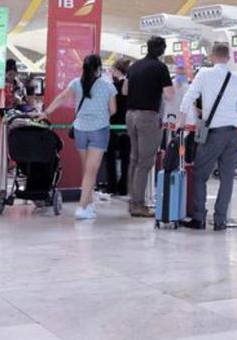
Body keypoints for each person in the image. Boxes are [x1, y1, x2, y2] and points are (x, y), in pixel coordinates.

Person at [180, 43, 237, 230]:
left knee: (200, 175)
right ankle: (220, 220)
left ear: (211, 56)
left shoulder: (204, 74)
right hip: (232, 133)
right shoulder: (236, 78)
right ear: (229, 57)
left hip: (213, 133)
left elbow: (189, 96)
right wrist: (232, 118)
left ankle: (199, 218)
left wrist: (182, 118)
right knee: (227, 178)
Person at [44, 54, 117, 220]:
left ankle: (89, 204)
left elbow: (62, 97)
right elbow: (113, 110)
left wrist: (47, 112)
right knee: (91, 171)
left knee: (86, 169)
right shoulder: (108, 86)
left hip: (80, 130)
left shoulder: (76, 83)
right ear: (99, 68)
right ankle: (82, 207)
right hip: (99, 130)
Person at [125, 36, 175, 218]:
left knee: (134, 159)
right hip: (147, 116)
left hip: (130, 115)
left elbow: (124, 90)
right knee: (145, 162)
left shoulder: (134, 66)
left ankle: (132, 201)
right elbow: (169, 95)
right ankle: (138, 205)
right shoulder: (160, 68)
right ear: (162, 50)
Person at [102, 58, 132, 196]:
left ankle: (111, 186)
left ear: (117, 70)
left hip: (112, 125)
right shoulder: (131, 86)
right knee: (126, 159)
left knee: (110, 158)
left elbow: (110, 108)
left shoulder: (111, 87)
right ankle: (124, 187)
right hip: (127, 126)